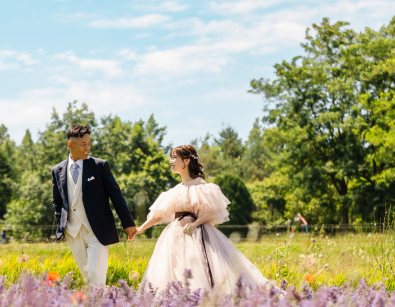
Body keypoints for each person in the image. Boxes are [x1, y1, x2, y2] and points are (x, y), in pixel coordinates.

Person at [135, 145, 278, 295]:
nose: (171, 161)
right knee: (174, 267)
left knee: (198, 268)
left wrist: (195, 224)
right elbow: (158, 214)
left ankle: (201, 299)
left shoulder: (200, 186)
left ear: (186, 161)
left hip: (197, 235)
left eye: (174, 157)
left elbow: (211, 211)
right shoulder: (175, 190)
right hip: (175, 235)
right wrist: (141, 229)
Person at [51, 124, 137, 287]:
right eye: (83, 144)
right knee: (88, 279)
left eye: (89, 144)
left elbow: (116, 195)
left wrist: (128, 223)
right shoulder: (57, 170)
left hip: (97, 231)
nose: (87, 148)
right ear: (70, 144)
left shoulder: (99, 166)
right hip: (73, 232)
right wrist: (61, 225)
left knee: (94, 275)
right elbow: (58, 201)